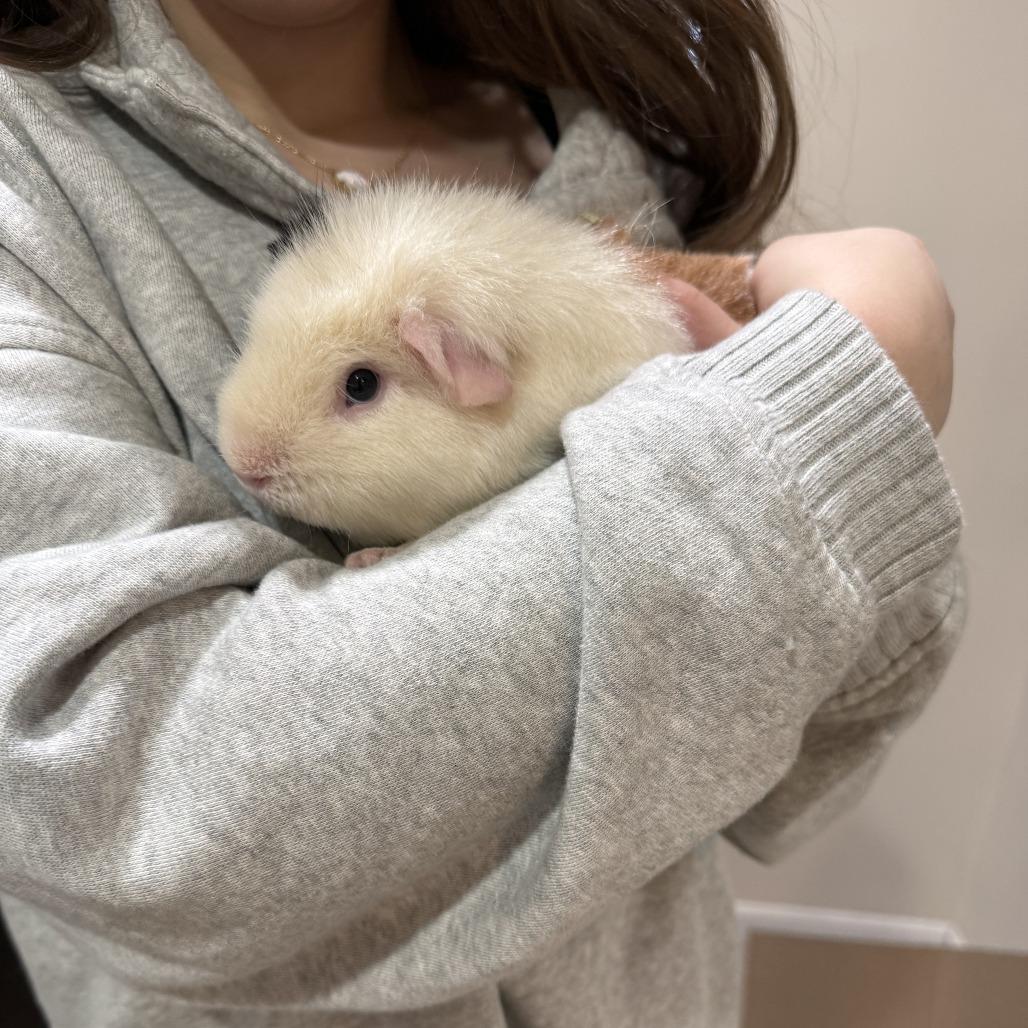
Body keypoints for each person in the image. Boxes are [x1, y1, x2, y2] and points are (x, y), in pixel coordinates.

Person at [0, 1, 964, 1026]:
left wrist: (823, 420)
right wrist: (804, 425)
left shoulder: (612, 124)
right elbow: (142, 818)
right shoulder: (34, 178)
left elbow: (816, 749)